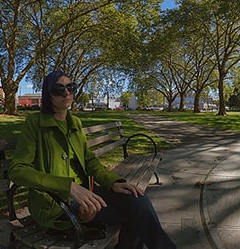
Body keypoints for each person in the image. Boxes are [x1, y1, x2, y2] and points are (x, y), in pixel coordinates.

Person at [9, 70, 176, 249]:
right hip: (55, 203)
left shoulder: (75, 123)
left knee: (137, 198)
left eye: (70, 87)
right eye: (59, 89)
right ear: (48, 94)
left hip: (86, 191)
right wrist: (69, 187)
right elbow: (17, 170)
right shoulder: (35, 124)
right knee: (136, 216)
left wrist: (113, 182)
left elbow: (90, 162)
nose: (67, 93)